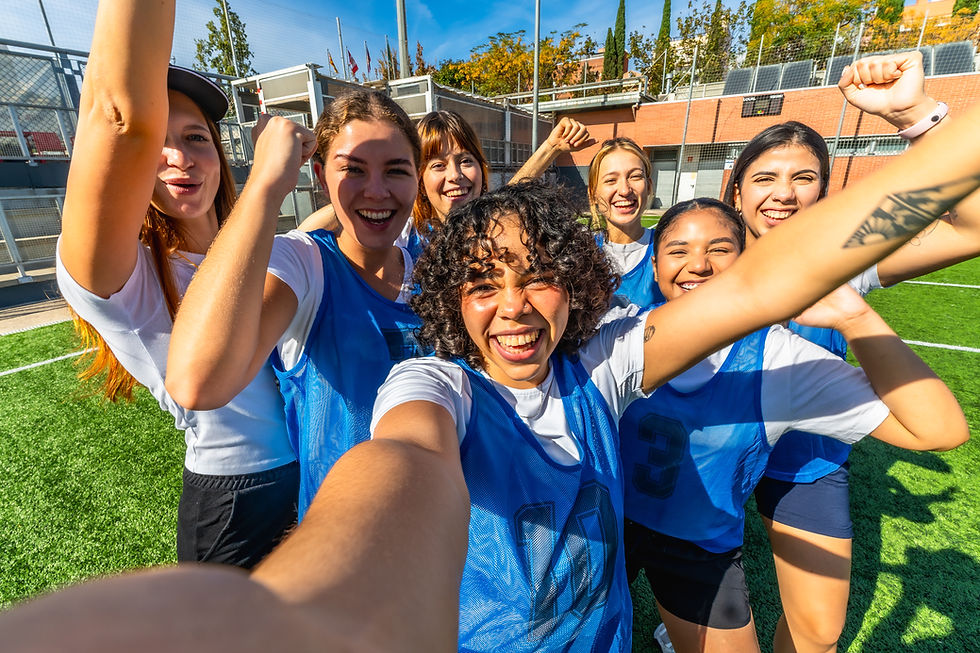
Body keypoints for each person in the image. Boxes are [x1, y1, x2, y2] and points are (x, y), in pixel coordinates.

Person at [4, 101, 980, 648]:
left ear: (574, 286)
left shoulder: (607, 362)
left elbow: (770, 274)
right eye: (479, 283)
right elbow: (396, 475)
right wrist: (296, 611)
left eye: (536, 276)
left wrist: (951, 147)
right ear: (446, 303)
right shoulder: (430, 386)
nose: (511, 304)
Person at [617, 198, 968, 653]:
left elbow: (937, 430)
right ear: (655, 263)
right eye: (678, 250)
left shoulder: (782, 358)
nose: (698, 265)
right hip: (605, 529)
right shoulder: (621, 330)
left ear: (748, 260)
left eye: (719, 249)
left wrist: (854, 316)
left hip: (698, 550)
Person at [721, 50, 980, 653]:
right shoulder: (691, 251)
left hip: (805, 453)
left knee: (819, 632)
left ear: (825, 191)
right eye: (764, 178)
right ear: (736, 190)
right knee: (687, 573)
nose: (783, 194)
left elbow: (971, 228)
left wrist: (913, 112)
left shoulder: (848, 258)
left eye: (803, 178)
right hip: (709, 441)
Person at [55, 0, 301, 568]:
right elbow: (120, 121)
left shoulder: (260, 247)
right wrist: (268, 180)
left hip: (313, 468)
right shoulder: (121, 277)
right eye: (158, 142)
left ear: (220, 154)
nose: (177, 157)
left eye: (196, 137)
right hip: (236, 505)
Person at [165, 89, 425, 520]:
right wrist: (266, 184)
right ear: (321, 177)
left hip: (444, 532)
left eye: (396, 170)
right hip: (342, 542)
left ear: (417, 177)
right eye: (353, 170)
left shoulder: (432, 266)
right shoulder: (303, 262)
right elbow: (198, 382)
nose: (376, 191)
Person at [299, 110, 592, 248]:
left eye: (466, 161)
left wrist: (551, 147)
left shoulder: (492, 227)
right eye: (437, 165)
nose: (456, 176)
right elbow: (306, 232)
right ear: (418, 178)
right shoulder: (404, 235)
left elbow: (512, 193)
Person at [586, 136, 664, 307]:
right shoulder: (579, 251)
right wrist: (550, 149)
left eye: (635, 177)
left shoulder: (668, 249)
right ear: (593, 194)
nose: (624, 190)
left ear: (649, 186)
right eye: (611, 180)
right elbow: (512, 215)